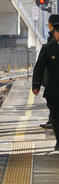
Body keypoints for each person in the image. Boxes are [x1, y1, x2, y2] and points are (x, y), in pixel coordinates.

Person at [32, 18, 59, 150]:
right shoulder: (48, 49)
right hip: (54, 90)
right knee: (55, 116)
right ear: (55, 34)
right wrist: (36, 85)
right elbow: (39, 67)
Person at [39, 14, 59, 129]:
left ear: (50, 24)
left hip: (52, 81)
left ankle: (52, 121)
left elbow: (42, 65)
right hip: (52, 82)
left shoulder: (52, 38)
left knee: (53, 105)